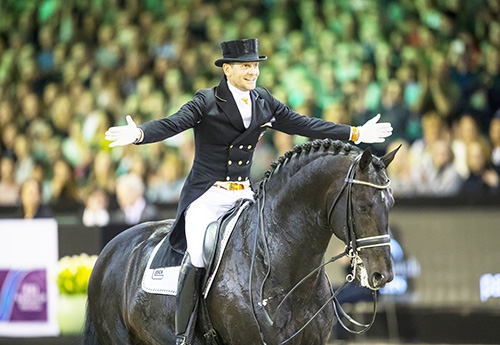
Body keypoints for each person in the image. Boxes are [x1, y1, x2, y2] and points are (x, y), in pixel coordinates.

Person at [105, 38, 393, 345]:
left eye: (255, 66)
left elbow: (303, 124)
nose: (253, 72)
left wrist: (356, 132)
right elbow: (173, 124)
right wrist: (139, 134)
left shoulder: (263, 101)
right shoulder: (207, 101)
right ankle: (184, 332)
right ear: (227, 69)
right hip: (207, 196)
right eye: (246, 66)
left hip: (243, 194)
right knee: (200, 252)